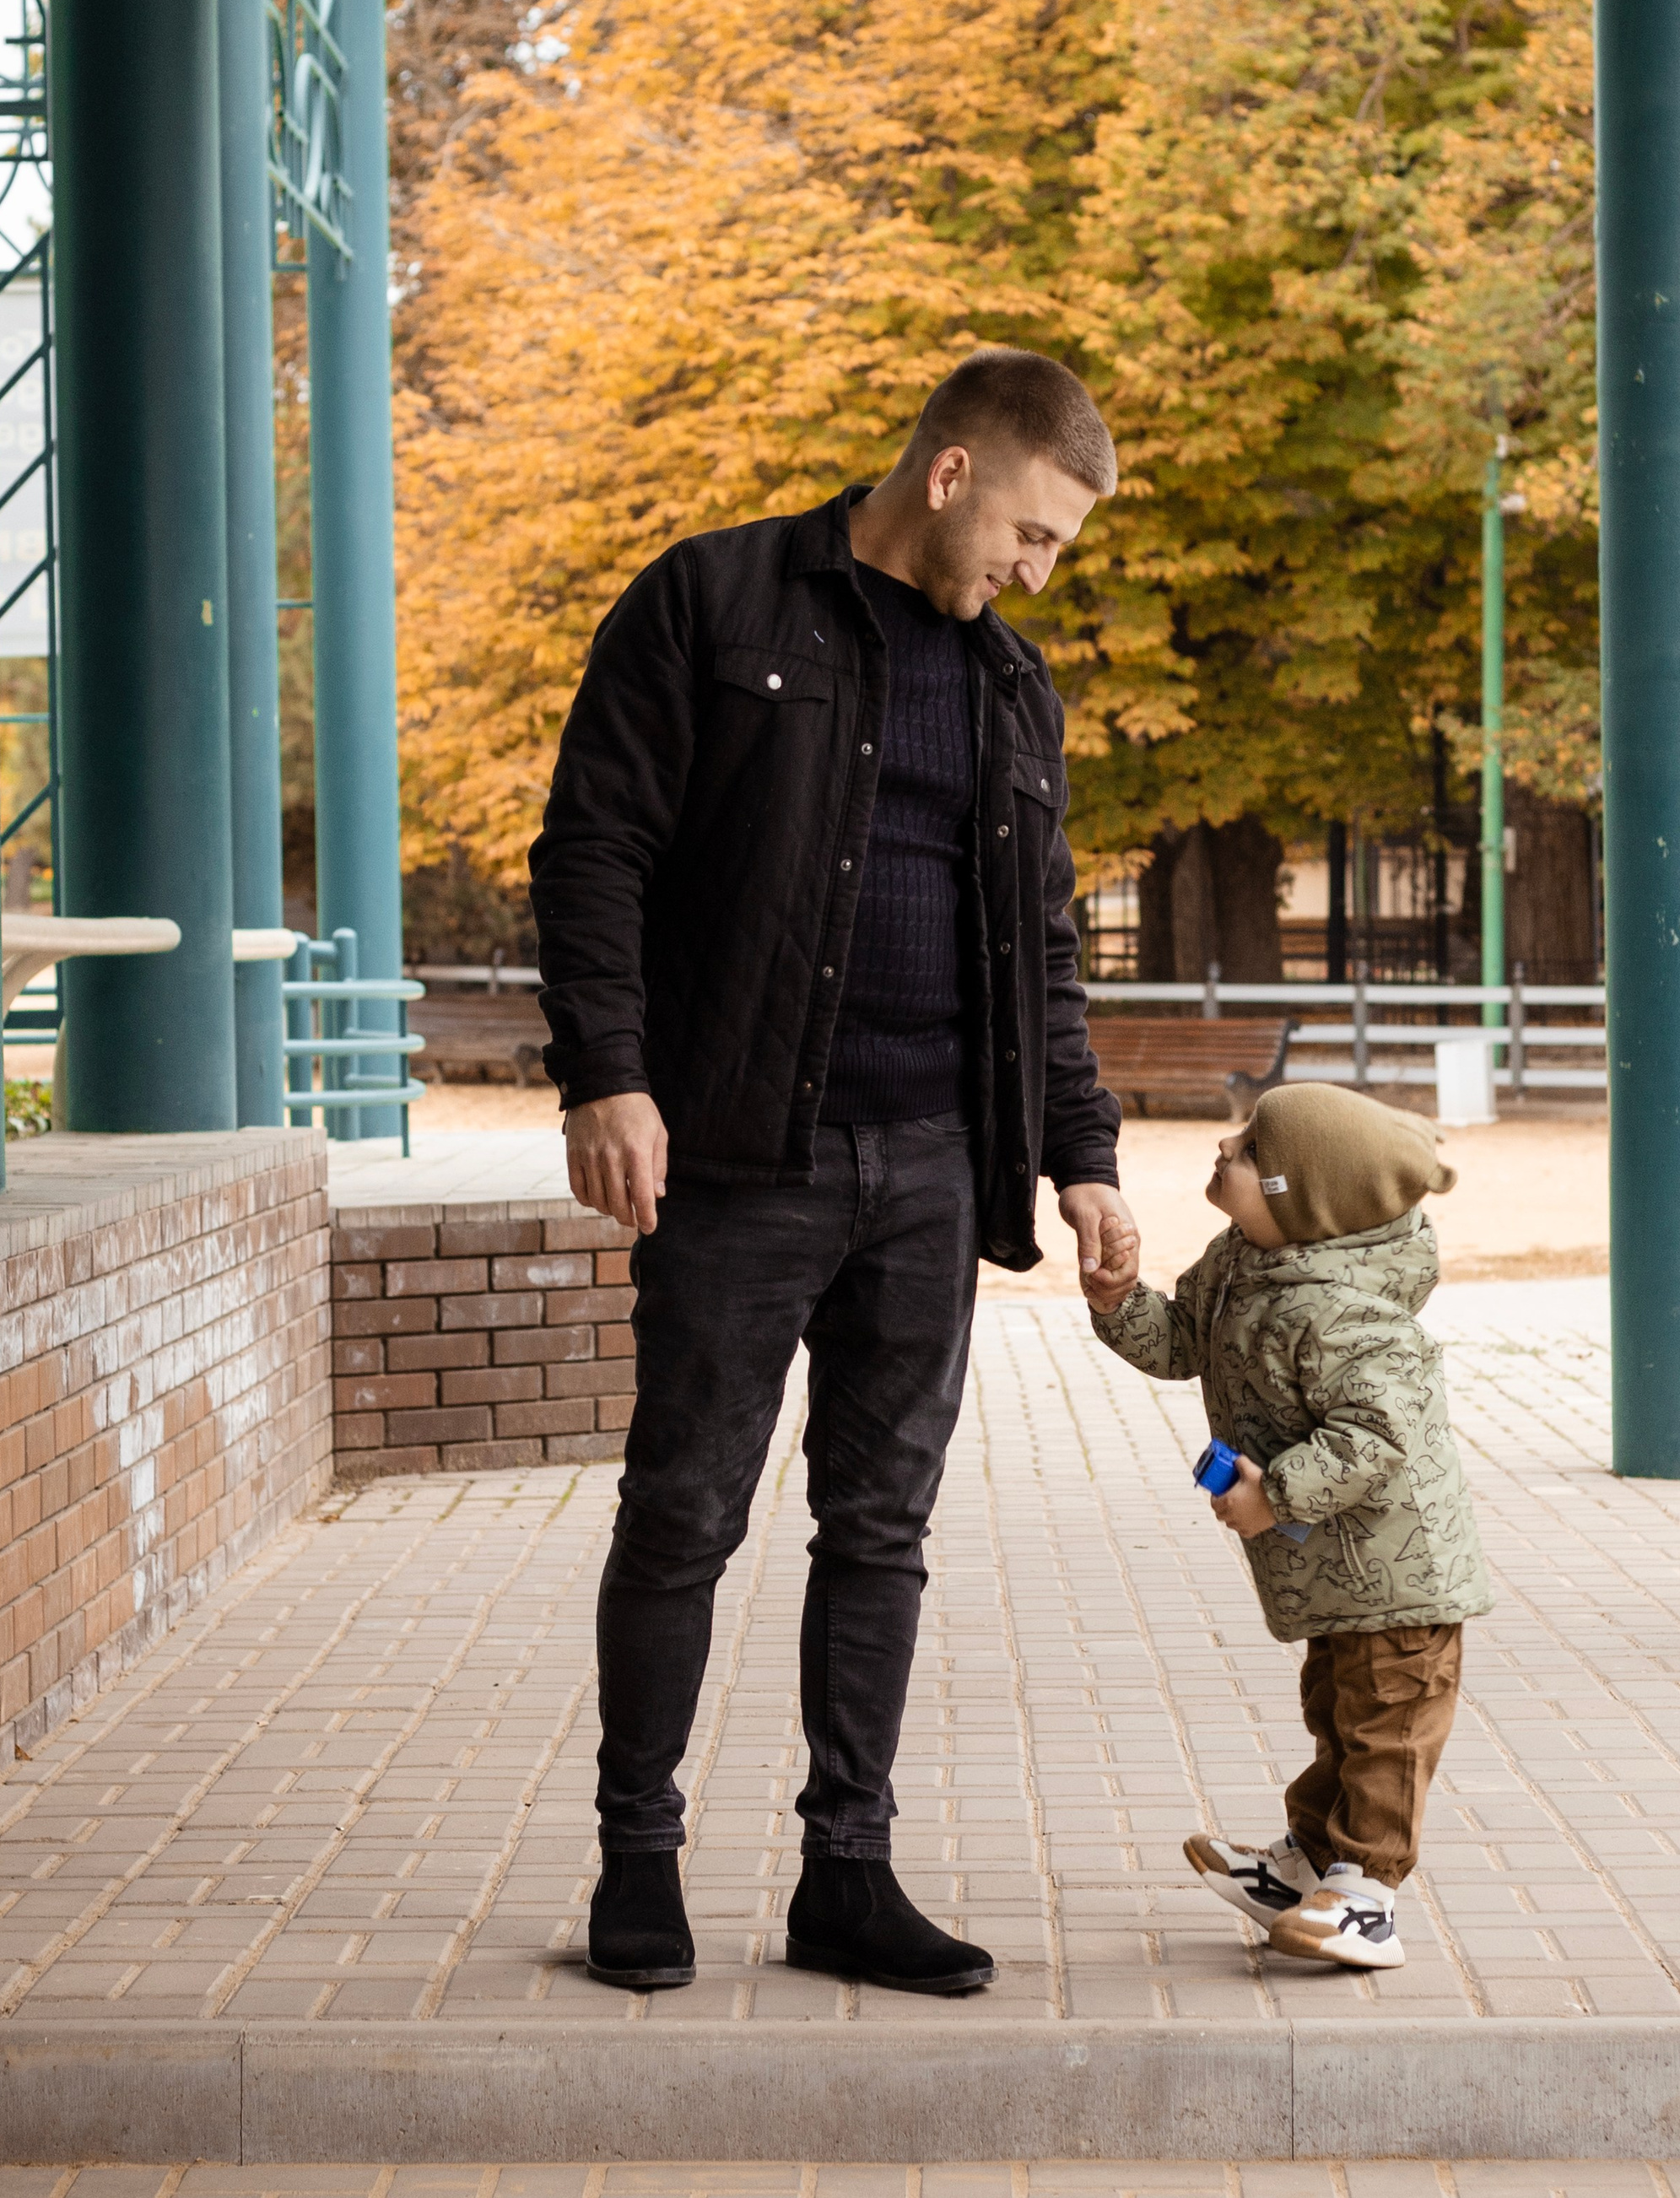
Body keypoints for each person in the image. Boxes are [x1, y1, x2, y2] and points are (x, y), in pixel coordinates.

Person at [530, 346, 1137, 1999]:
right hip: (736, 1151)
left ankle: (843, 1875)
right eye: (1027, 536)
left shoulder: (1013, 689)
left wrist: (1077, 1153)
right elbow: (594, 845)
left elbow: (1044, 948)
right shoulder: (713, 603)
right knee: (683, 1511)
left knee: (880, 1524)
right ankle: (634, 1858)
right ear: (948, 473)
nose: (1031, 575)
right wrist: (608, 1071)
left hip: (934, 1164)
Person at [1081, 1081, 1489, 1972]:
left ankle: (1368, 1897)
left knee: (1386, 1729)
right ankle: (1304, 1865)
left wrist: (1279, 1491)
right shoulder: (1241, 1259)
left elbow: (1377, 1434)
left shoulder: (1349, 1312)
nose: (1225, 1146)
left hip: (1400, 1574)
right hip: (1338, 1574)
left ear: (1294, 1199)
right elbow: (1183, 1339)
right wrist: (1119, 1301)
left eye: (1251, 1147)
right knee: (1337, 1716)